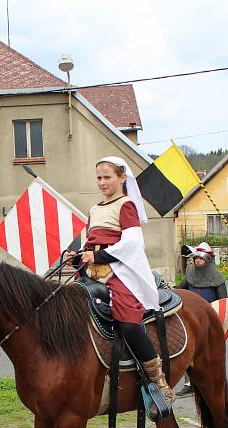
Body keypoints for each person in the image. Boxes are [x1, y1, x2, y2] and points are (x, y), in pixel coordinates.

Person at [76, 156, 172, 406]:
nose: (102, 182)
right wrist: (76, 256)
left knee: (128, 322)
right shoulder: (94, 210)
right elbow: (89, 242)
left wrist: (96, 254)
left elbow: (132, 243)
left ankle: (157, 380)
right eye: (98, 177)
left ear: (122, 178)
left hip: (120, 272)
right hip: (92, 272)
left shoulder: (126, 205)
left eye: (107, 177)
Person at [175, 242, 227, 394]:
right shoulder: (190, 275)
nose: (197, 261)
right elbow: (180, 290)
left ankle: (213, 381)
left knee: (209, 355)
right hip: (190, 320)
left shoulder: (217, 278)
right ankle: (189, 384)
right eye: (196, 258)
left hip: (208, 321)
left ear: (208, 260)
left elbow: (223, 302)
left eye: (200, 259)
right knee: (186, 351)